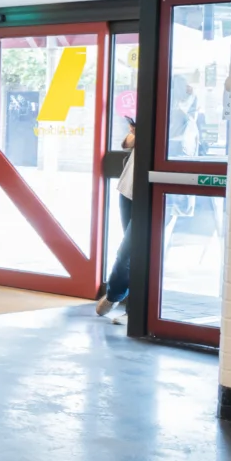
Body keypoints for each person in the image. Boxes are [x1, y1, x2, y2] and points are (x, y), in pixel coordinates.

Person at [97, 118, 136, 320]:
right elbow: (126, 143)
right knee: (131, 252)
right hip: (128, 190)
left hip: (150, 194)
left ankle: (115, 295)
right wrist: (137, 132)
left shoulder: (178, 119)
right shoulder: (146, 118)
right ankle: (130, 307)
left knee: (128, 251)